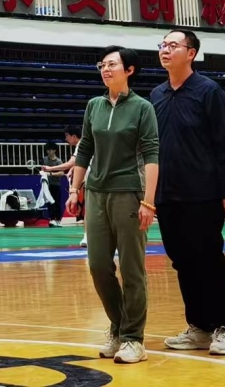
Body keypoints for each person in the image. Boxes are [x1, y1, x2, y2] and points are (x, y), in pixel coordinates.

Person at [150, 29, 225, 356]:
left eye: (173, 45)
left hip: (203, 193)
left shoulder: (208, 91)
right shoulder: (157, 95)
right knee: (183, 262)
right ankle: (199, 327)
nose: (165, 50)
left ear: (191, 53)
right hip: (167, 195)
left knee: (209, 260)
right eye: (163, 45)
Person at [65, 46, 159, 365]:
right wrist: (75, 189)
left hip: (129, 192)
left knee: (132, 269)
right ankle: (118, 328)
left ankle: (134, 338)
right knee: (98, 266)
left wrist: (149, 201)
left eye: (112, 64)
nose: (105, 69)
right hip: (96, 193)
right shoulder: (94, 105)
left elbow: (152, 155)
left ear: (129, 70)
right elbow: (85, 149)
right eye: (102, 65)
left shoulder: (143, 108)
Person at [41, 128, 83, 236]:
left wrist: (50, 169)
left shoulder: (83, 144)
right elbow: (79, 162)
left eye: (67, 136)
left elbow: (70, 163)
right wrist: (72, 169)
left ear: (73, 136)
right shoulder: (81, 145)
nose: (66, 139)